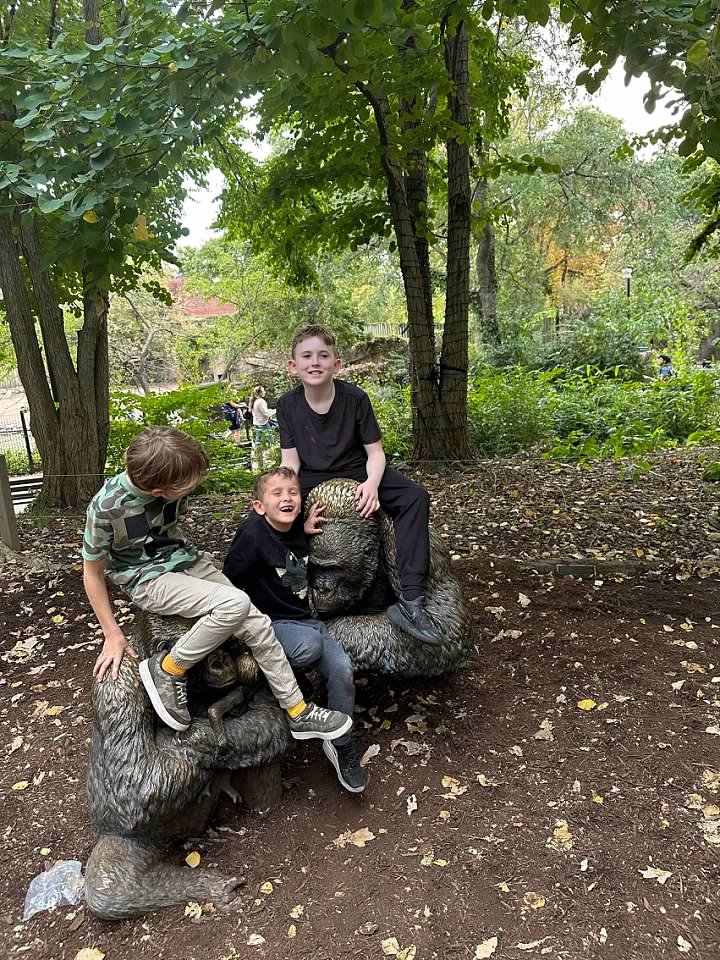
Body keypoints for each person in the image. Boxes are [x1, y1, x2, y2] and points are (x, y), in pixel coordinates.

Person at [81, 425, 352, 744]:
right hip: (146, 577)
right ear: (158, 490)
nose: (196, 486)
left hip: (185, 560)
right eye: (189, 485)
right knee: (235, 603)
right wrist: (112, 634)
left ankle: (297, 711)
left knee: (257, 623)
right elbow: (92, 573)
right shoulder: (107, 507)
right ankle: (169, 669)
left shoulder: (171, 479)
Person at [276, 323, 442, 647]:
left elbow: (375, 453)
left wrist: (371, 484)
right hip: (311, 473)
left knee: (415, 498)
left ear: (336, 364)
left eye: (323, 355)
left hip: (357, 467)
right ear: (293, 366)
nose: (315, 362)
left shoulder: (355, 398)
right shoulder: (287, 405)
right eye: (307, 356)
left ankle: (412, 599)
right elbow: (290, 461)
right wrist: (283, 495)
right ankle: (287, 601)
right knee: (273, 515)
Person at [223, 467, 365, 793]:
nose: (287, 498)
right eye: (277, 493)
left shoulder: (295, 527)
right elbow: (228, 582)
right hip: (268, 624)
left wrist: (305, 527)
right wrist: (235, 632)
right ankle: (294, 703)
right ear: (258, 506)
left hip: (306, 620)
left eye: (293, 493)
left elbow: (289, 542)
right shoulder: (253, 533)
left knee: (343, 670)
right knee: (310, 645)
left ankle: (340, 743)